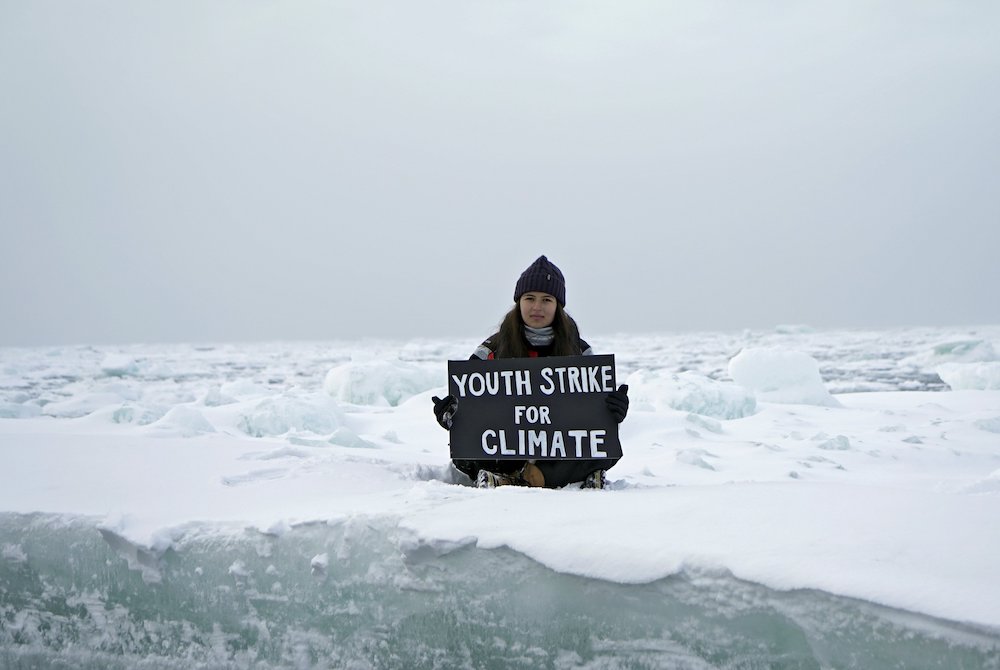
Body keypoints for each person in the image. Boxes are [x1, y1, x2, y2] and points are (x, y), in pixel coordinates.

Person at [432, 255, 629, 489]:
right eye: (530, 298)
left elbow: (594, 417)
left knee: (606, 450)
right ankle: (556, 479)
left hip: (558, 450)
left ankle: (510, 481)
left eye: (546, 299)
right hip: (507, 450)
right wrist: (451, 415)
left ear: (558, 305)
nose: (537, 307)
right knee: (466, 453)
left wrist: (613, 410)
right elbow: (471, 411)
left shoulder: (580, 351)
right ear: (519, 302)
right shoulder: (490, 350)